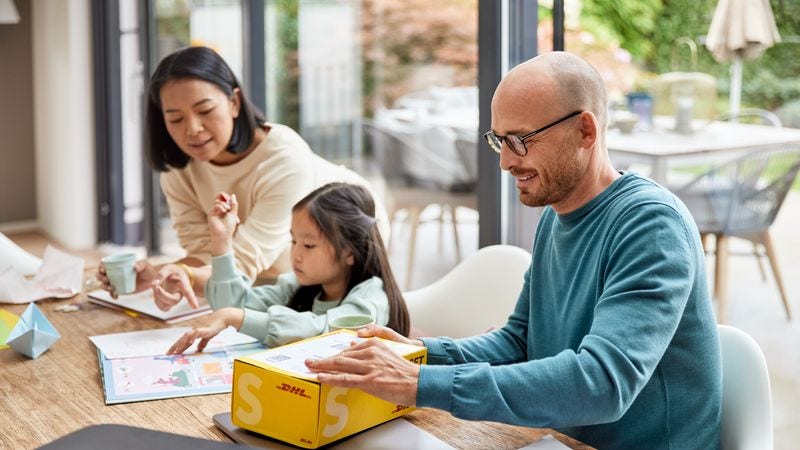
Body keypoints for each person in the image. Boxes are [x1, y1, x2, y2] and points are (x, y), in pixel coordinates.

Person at [304, 52, 722, 449]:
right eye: (499, 140)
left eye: (521, 140)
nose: (505, 162)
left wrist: (418, 382)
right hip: (560, 441)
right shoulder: (556, 218)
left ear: (585, 131)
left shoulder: (650, 225)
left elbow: (602, 383)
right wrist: (415, 354)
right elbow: (520, 341)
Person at [96, 46, 388, 310]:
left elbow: (240, 266)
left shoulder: (283, 158)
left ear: (234, 102)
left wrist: (180, 274)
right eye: (175, 118)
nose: (193, 129)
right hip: (269, 277)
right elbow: (204, 253)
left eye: (205, 110)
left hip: (349, 244)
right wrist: (156, 275)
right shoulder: (178, 169)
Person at [167, 182, 409, 351]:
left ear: (350, 252)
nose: (296, 255)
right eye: (294, 241)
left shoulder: (370, 301)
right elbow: (233, 307)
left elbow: (323, 332)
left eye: (309, 245)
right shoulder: (298, 284)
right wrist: (222, 240)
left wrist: (234, 316)